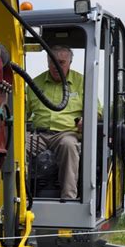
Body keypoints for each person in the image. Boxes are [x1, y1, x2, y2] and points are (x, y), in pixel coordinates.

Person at [26, 45, 84, 200]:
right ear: (47, 63)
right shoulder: (34, 83)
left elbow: (96, 111)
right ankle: (18, 196)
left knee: (69, 146)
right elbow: (22, 112)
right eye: (52, 62)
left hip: (66, 134)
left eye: (61, 62)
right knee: (16, 146)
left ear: (70, 63)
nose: (56, 66)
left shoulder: (82, 82)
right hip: (39, 135)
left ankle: (69, 198)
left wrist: (85, 120)